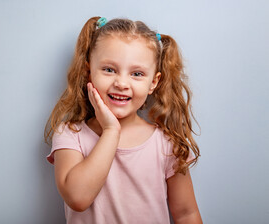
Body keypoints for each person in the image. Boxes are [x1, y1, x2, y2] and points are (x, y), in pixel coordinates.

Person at [44, 16, 202, 224]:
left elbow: (186, 214)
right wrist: (111, 131)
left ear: (153, 82)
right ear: (88, 71)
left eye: (136, 74)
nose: (121, 83)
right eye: (109, 70)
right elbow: (78, 198)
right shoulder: (70, 135)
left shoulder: (166, 143)